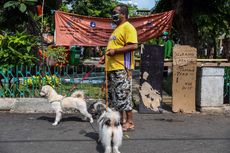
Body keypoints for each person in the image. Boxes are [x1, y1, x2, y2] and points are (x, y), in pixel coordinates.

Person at [99, 4, 138, 131]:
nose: (113, 14)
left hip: (122, 68)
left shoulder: (128, 27)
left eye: (115, 12)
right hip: (111, 68)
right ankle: (121, 120)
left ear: (123, 14)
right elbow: (113, 48)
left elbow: (133, 46)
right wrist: (106, 57)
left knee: (124, 96)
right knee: (116, 97)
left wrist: (115, 52)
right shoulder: (116, 29)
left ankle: (130, 122)